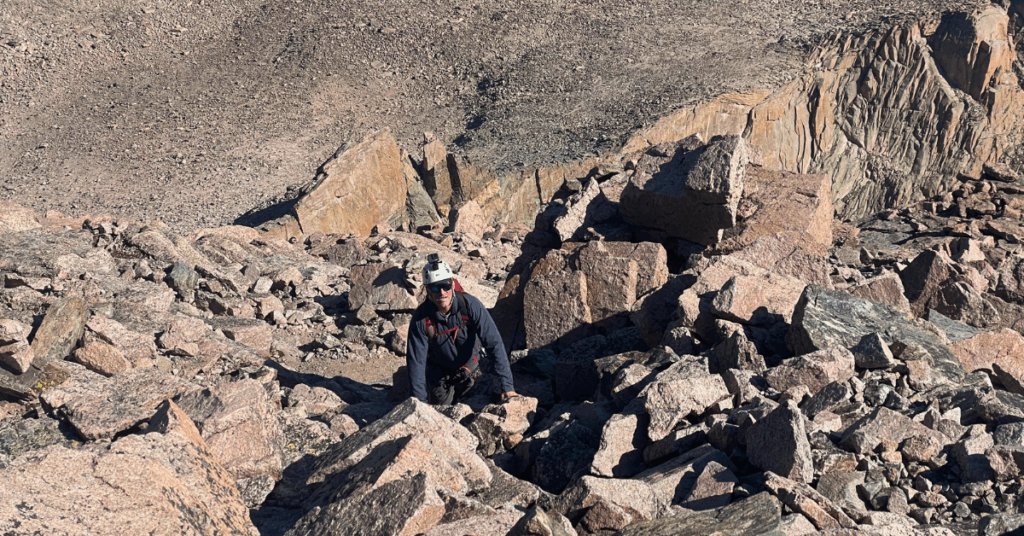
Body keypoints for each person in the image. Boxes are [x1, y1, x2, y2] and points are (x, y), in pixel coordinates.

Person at [406, 254, 517, 405]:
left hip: (471, 368)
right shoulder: (421, 319)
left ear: (452, 284)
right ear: (427, 290)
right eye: (435, 287)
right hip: (440, 375)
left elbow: (494, 343)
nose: (442, 292)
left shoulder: (470, 305)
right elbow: (416, 364)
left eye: (445, 285)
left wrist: (507, 386)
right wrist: (419, 404)